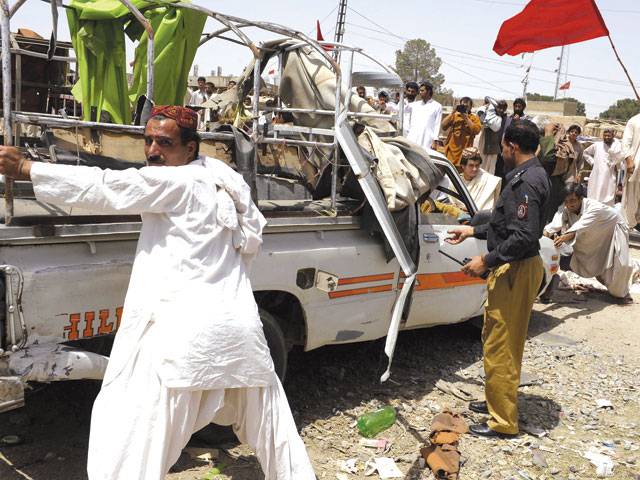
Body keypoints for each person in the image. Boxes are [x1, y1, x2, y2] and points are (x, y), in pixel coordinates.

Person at [0, 106, 315, 480]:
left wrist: (26, 169)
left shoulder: (176, 183)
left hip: (183, 339)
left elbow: (109, 186)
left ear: (190, 148)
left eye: (164, 143)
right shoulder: (220, 176)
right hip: (237, 330)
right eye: (148, 140)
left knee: (131, 430)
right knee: (274, 431)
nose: (152, 151)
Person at [446, 120, 550, 438]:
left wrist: (485, 260)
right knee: (496, 337)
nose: (502, 151)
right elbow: (505, 223)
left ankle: (503, 421)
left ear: (511, 147)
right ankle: (496, 399)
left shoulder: (526, 183)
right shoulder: (529, 173)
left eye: (503, 146)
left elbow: (523, 235)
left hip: (516, 269)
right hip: (515, 267)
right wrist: (473, 230)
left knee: (502, 344)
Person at [543, 183, 635, 302]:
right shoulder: (565, 208)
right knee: (598, 262)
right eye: (566, 201)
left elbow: (580, 227)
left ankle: (627, 281)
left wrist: (563, 238)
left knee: (621, 266)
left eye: (572, 200)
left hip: (614, 229)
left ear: (581, 198)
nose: (569, 204)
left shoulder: (594, 208)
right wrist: (542, 238)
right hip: (595, 235)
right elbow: (554, 224)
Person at [583, 129, 624, 205]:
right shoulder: (597, 145)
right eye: (605, 135)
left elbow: (621, 161)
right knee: (595, 195)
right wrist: (592, 162)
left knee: (608, 195)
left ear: (613, 136)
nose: (606, 137)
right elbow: (585, 153)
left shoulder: (617, 148)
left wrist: (616, 165)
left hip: (610, 176)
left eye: (609, 135)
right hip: (597, 175)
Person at [441, 97, 482, 165]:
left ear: (471, 107)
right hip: (451, 151)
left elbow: (476, 131)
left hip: (465, 152)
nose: (464, 108)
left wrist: (466, 118)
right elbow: (443, 126)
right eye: (462, 106)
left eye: (466, 106)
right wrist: (452, 112)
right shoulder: (455, 116)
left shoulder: (474, 118)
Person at [406, 81, 442, 151]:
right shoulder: (415, 105)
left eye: (422, 90)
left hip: (427, 139)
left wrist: (435, 140)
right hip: (413, 137)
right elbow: (400, 109)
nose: (420, 92)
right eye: (420, 91)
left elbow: (437, 124)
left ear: (428, 91)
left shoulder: (437, 106)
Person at [476, 98, 508, 175]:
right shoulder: (487, 112)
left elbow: (495, 127)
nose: (500, 110)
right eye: (499, 107)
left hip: (493, 148)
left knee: (489, 170)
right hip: (482, 143)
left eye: (503, 109)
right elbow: (480, 116)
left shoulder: (499, 118)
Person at [622, 112, 640, 228]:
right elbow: (625, 143)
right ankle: (628, 226)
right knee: (631, 201)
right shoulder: (634, 120)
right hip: (636, 167)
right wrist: (629, 160)